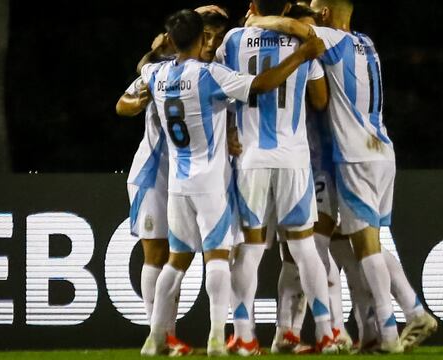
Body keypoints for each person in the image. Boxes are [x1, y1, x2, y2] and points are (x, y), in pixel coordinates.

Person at [246, 0, 438, 353]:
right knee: (358, 247)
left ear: (324, 15)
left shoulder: (326, 42)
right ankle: (367, 328)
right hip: (380, 148)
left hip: (350, 157)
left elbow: (300, 38)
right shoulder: (367, 44)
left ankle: (385, 329)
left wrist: (259, 20)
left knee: (346, 248)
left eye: (316, 9)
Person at [138, 9, 325, 356]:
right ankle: (216, 338)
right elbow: (262, 85)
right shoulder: (210, 75)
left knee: (176, 261)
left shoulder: (157, 73)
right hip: (210, 181)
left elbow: (140, 73)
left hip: (177, 184)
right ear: (203, 39)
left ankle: (154, 338)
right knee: (219, 258)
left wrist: (155, 50)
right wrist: (300, 55)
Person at [216, 0, 339, 354]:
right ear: (287, 6)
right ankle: (327, 332)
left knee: (250, 249)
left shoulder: (234, 40)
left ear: (253, 5)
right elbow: (319, 99)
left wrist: (229, 131)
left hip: (251, 156)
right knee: (303, 247)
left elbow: (222, 90)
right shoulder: (304, 42)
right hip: (294, 157)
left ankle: (244, 335)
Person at [115, 6, 232, 357]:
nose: (211, 43)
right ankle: (161, 336)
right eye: (206, 35)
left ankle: (166, 336)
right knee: (157, 255)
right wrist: (138, 102)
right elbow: (122, 104)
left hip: (184, 178)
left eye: (217, 37)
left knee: (176, 257)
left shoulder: (202, 71)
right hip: (154, 173)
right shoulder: (163, 69)